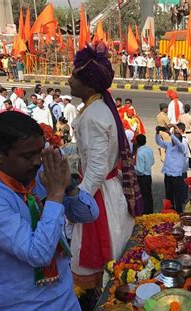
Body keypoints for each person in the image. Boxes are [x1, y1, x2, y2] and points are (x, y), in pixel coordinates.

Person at [0, 111, 99, 311]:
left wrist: (68, 186)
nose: (37, 161)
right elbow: (38, 253)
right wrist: (56, 194)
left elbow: (89, 214)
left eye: (40, 152)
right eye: (28, 156)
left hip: (64, 303)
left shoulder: (35, 174)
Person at [69, 44, 142, 289]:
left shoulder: (93, 115)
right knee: (114, 246)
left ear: (88, 85)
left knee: (102, 254)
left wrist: (80, 200)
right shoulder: (97, 107)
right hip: (105, 189)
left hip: (97, 193)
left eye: (75, 76)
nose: (69, 80)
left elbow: (98, 167)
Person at [156, 122, 189, 213]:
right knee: (169, 194)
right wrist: (157, 133)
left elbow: (178, 143)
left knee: (177, 195)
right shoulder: (169, 145)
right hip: (167, 173)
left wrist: (170, 134)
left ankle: (178, 212)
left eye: (175, 138)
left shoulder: (182, 147)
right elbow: (159, 142)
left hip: (176, 174)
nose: (173, 140)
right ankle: (169, 211)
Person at [135, 134, 155, 214]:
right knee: (148, 194)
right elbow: (153, 162)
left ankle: (145, 211)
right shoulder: (149, 150)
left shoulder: (139, 154)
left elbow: (140, 170)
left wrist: (133, 167)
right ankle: (150, 210)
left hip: (142, 177)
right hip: (148, 175)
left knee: (143, 195)